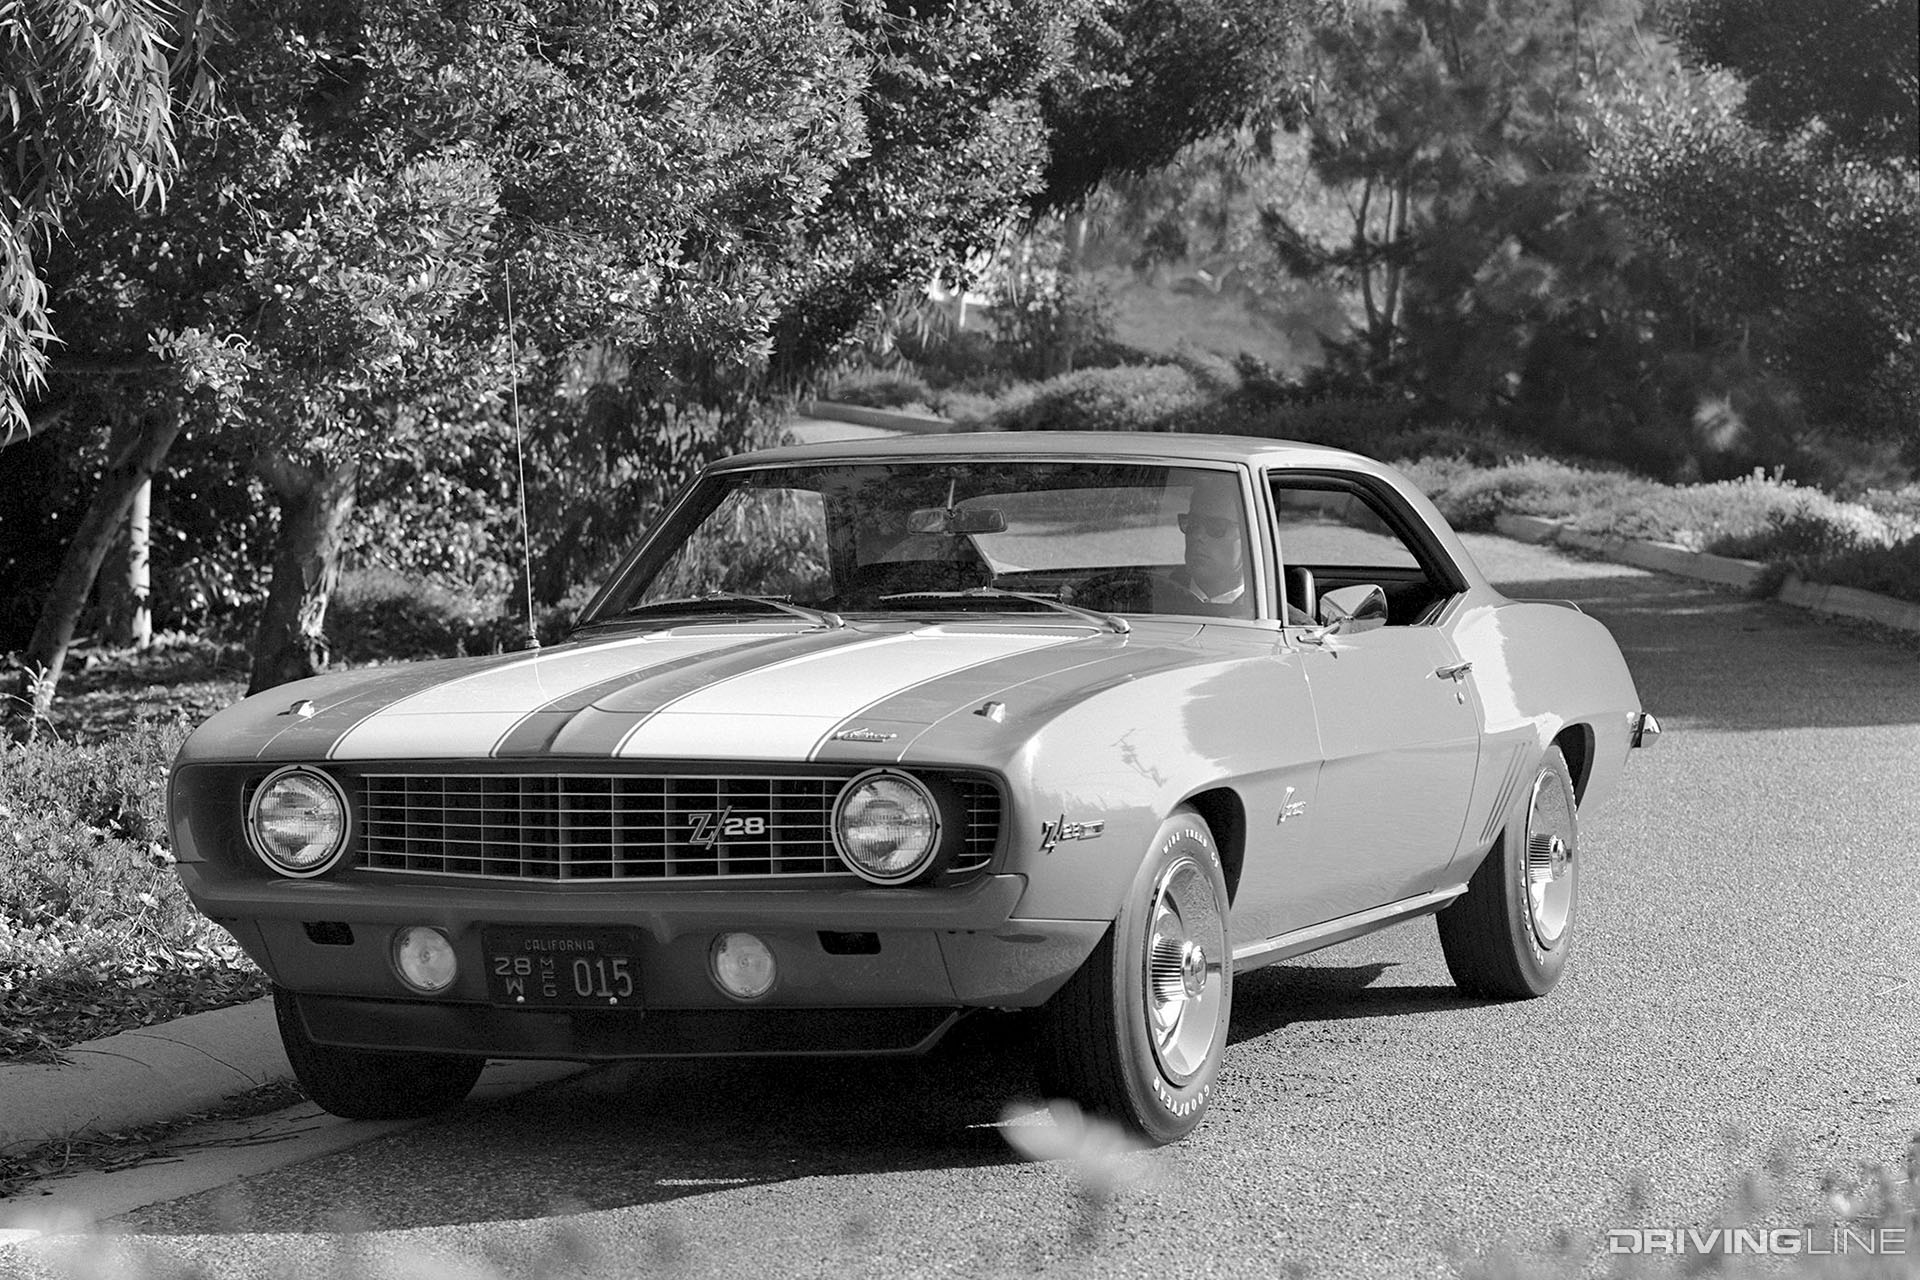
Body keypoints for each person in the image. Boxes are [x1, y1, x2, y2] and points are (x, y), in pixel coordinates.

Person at [1154, 471, 1254, 618]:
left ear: (1248, 536)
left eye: (1216, 526)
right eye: (1193, 524)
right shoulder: (1151, 603)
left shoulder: (1284, 624)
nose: (1197, 536)